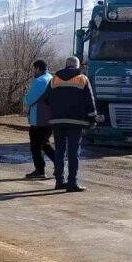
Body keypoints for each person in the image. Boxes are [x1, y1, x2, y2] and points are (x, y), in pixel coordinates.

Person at [46, 56, 96, 192]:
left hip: (57, 121)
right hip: (76, 122)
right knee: (73, 152)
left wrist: (55, 111)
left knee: (59, 151)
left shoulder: (54, 80)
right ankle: (72, 183)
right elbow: (89, 101)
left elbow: (46, 100)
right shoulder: (82, 79)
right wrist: (93, 119)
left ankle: (59, 181)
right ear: (78, 66)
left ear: (65, 65)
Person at [22, 59, 55, 179]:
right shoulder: (52, 78)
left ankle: (41, 170)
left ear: (38, 68)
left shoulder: (40, 81)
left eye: (33, 69)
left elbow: (29, 99)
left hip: (39, 118)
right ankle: (57, 165)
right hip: (50, 117)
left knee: (37, 145)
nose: (33, 72)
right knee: (44, 143)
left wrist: (25, 97)